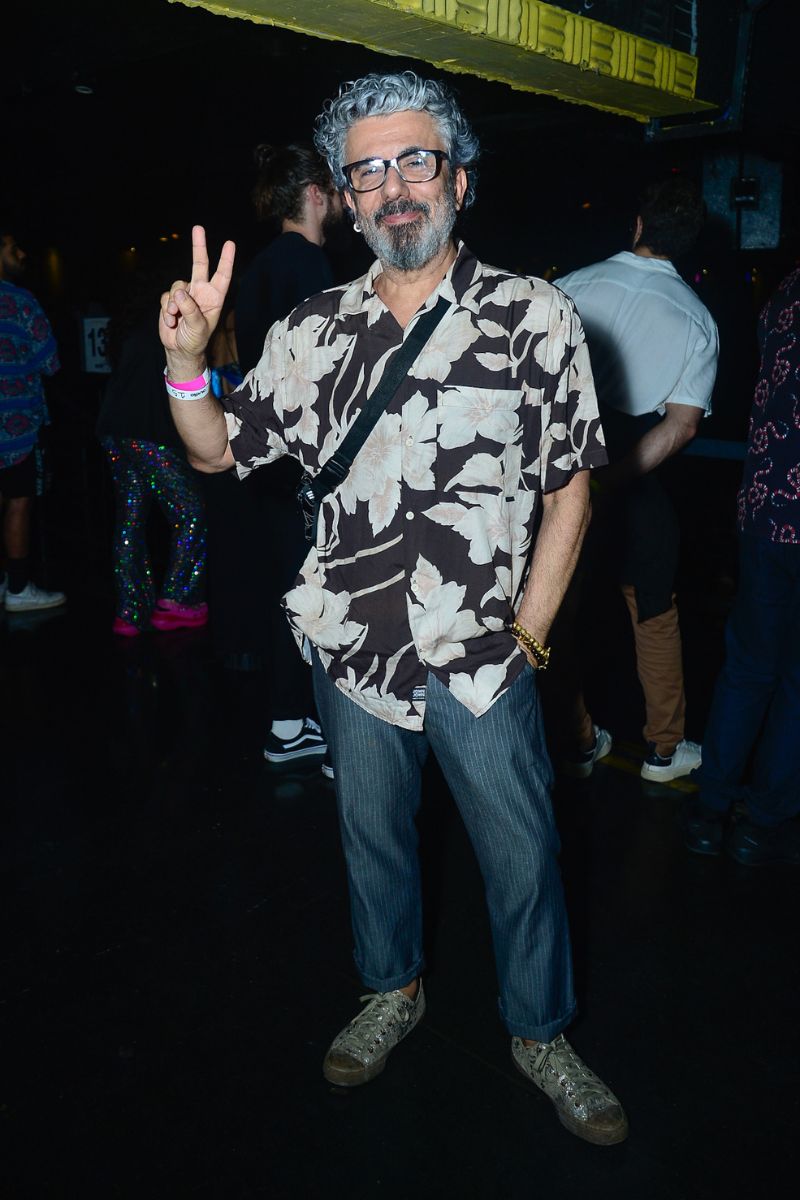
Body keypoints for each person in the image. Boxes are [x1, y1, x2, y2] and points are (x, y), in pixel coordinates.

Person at [158, 71, 627, 1146]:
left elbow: (570, 489)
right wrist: (187, 368)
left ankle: (540, 1030)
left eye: (415, 159)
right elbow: (221, 452)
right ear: (347, 197)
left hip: (482, 656)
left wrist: (528, 636)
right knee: (371, 842)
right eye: (367, 170)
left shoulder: (535, 315)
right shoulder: (312, 329)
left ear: (458, 178)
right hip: (352, 649)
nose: (393, 186)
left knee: (524, 856)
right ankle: (390, 990)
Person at [556, 178, 719, 783]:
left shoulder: (570, 286)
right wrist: (614, 479)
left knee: (554, 610)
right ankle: (663, 751)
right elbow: (681, 426)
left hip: (560, 471)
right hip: (632, 480)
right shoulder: (697, 318)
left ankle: (576, 740)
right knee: (653, 610)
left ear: (639, 226)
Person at [204, 143, 344, 767]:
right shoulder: (310, 264)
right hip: (310, 459)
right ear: (315, 193)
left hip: (271, 454)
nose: (342, 200)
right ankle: (337, 738)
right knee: (327, 593)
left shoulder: (261, 268)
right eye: (335, 189)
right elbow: (329, 370)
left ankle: (289, 723)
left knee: (290, 587)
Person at [684, 266, 800, 865]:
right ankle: (761, 822)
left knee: (749, 667)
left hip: (769, 510)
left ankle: (710, 813)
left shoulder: (786, 293)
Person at [97, 264, 207, 635]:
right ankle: (179, 599)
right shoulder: (165, 324)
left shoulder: (127, 324)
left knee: (130, 520)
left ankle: (130, 612)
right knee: (192, 512)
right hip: (147, 433)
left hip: (115, 430)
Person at [0, 222, 66, 612]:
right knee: (18, 502)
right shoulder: (20, 301)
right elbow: (50, 361)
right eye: (13, 247)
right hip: (15, 426)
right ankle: (19, 588)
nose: (21, 254)